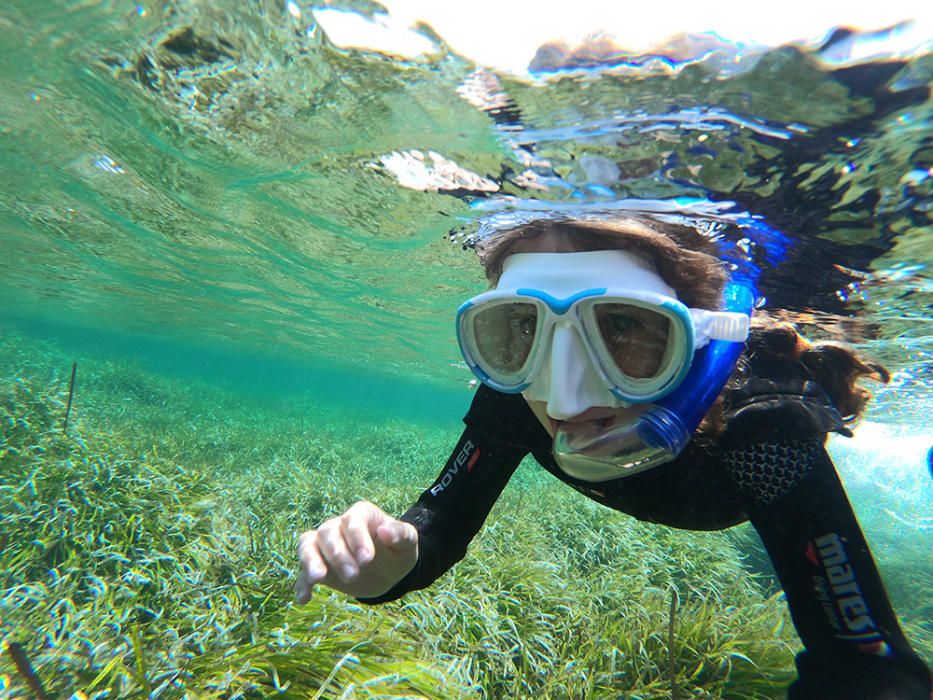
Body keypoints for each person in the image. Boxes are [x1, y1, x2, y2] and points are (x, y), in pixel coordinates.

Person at [295, 216, 932, 699]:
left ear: (694, 337)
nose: (565, 395)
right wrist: (393, 560)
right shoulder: (516, 395)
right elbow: (437, 527)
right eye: (521, 329)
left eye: (623, 328)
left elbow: (868, 665)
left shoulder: (764, 430)